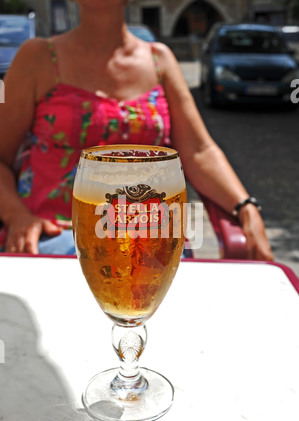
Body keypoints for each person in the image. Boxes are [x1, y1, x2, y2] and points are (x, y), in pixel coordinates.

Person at [0, 0, 273, 261]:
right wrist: (16, 216)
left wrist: (245, 207)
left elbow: (199, 151)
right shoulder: (36, 57)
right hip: (57, 237)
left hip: (151, 244)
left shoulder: (160, 60)